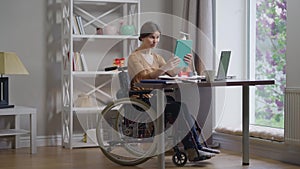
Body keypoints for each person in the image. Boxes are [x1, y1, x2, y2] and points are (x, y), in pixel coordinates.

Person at [127, 21, 216, 161]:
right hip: (141, 98)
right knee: (178, 108)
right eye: (151, 37)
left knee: (182, 108)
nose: (155, 41)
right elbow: (145, 76)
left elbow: (172, 73)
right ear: (142, 37)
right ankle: (192, 148)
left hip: (156, 97)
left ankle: (196, 146)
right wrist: (164, 67)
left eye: (157, 37)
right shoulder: (134, 57)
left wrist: (184, 63)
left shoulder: (157, 57)